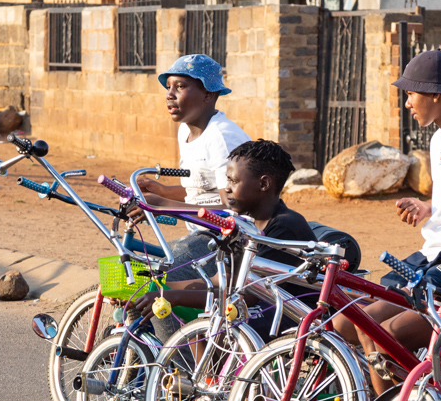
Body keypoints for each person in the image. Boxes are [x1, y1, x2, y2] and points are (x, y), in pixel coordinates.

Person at [332, 50, 441, 394]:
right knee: (346, 323)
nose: (408, 103)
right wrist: (429, 207)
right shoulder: (439, 137)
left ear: (436, 94)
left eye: (411, 94)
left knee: (375, 332)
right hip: (431, 252)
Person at [135, 140, 317, 342]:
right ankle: (203, 374)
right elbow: (221, 282)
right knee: (198, 323)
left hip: (294, 315)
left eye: (233, 181)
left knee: (218, 331)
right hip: (262, 306)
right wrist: (162, 287)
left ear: (264, 184)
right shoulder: (242, 225)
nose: (227, 188)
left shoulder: (284, 227)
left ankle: (222, 374)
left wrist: (174, 296)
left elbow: (247, 295)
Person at [136, 54, 251, 279]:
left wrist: (163, 205)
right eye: (168, 87)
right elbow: (201, 192)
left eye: (180, 86)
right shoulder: (186, 131)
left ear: (208, 94)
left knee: (161, 279)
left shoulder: (221, 137)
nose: (169, 94)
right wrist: (161, 190)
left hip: (232, 242)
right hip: (206, 236)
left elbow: (233, 207)